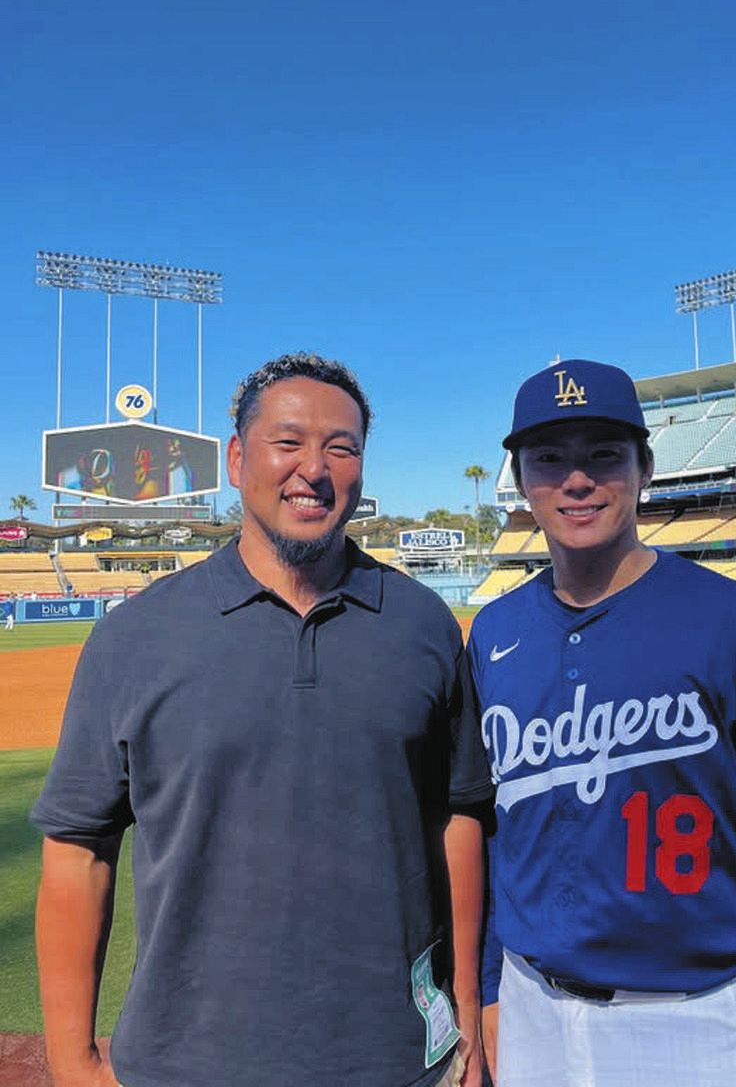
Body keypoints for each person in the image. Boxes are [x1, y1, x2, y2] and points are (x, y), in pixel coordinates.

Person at [32, 351, 493, 1087]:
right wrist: (70, 1061)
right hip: (185, 1066)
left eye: (340, 447)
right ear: (239, 457)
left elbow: (458, 817)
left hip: (396, 1062)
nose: (313, 467)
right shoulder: (135, 635)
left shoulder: (422, 626)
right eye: (287, 441)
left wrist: (467, 1014)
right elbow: (78, 850)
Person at [469, 359, 736, 1087]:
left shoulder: (734, 621)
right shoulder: (494, 633)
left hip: (695, 1027)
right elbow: (492, 838)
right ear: (519, 478)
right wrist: (484, 995)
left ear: (645, 468)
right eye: (549, 458)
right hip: (529, 1013)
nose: (576, 479)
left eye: (603, 454)